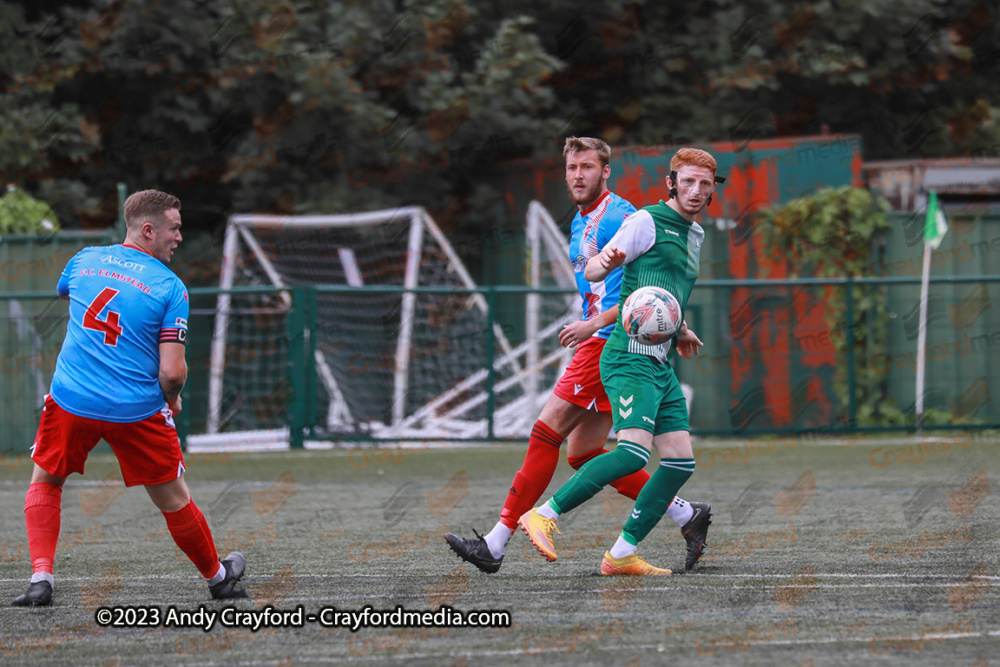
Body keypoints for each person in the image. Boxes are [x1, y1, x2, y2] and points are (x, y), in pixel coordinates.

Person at [445, 138, 711, 574]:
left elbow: (643, 291)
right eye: (571, 168)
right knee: (585, 452)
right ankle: (684, 513)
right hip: (612, 341)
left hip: (610, 341)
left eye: (587, 166)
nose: (577, 175)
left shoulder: (624, 216)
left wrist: (595, 325)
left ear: (606, 171)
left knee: (546, 435)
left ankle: (497, 542)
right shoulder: (582, 221)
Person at [12, 190, 246, 606]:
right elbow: (172, 371)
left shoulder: (83, 259)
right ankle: (217, 578)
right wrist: (171, 399)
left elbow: (68, 292)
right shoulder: (172, 288)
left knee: (46, 481)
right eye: (174, 228)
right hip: (135, 410)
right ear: (149, 229)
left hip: (72, 401)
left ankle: (41, 579)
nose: (179, 237)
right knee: (173, 498)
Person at [520, 147, 722, 575]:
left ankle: (622, 554)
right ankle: (544, 514)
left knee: (680, 462)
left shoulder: (697, 234)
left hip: (660, 361)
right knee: (632, 453)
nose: (696, 191)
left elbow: (668, 294)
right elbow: (594, 269)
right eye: (687, 181)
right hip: (627, 357)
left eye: (705, 184)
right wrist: (604, 262)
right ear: (671, 182)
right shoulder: (645, 220)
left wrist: (679, 327)